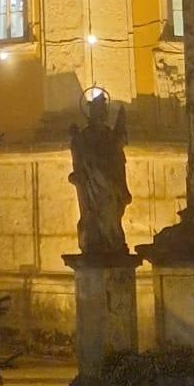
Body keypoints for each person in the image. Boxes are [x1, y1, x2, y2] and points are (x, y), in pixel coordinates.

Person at [68, 90, 131, 260]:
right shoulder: (84, 136)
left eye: (103, 109)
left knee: (112, 214)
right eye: (98, 109)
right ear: (92, 112)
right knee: (96, 216)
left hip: (111, 183)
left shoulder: (110, 134)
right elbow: (79, 159)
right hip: (93, 185)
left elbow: (117, 156)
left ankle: (112, 240)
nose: (102, 113)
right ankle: (98, 241)